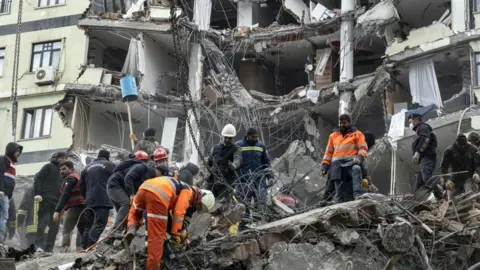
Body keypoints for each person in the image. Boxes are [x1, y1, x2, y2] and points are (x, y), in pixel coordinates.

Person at [124, 173, 215, 269]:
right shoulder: (188, 192)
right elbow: (178, 213)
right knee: (157, 241)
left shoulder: (181, 185)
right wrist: (176, 233)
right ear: (200, 198)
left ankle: (131, 228)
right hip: (158, 196)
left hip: (144, 188)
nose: (198, 208)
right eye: (200, 206)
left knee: (135, 213)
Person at [321, 114, 368, 202]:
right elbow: (328, 152)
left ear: (349, 123)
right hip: (337, 165)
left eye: (345, 123)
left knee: (356, 169)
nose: (342, 125)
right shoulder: (333, 136)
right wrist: (325, 166)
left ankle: (358, 195)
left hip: (351, 163)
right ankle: (338, 201)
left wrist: (359, 157)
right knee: (336, 186)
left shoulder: (357, 134)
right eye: (341, 123)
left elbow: (363, 148)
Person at [235, 128, 272, 228]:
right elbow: (235, 162)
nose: (255, 139)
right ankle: (243, 228)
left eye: (256, 137)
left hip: (258, 180)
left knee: (259, 202)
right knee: (243, 203)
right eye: (253, 137)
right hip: (243, 180)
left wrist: (270, 176)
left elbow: (266, 162)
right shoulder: (239, 145)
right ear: (247, 136)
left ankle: (257, 225)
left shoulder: (261, 146)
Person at [80, 149, 115, 249]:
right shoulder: (110, 165)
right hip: (103, 199)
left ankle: (83, 246)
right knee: (99, 223)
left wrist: (86, 197)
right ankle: (91, 245)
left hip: (89, 200)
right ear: (108, 157)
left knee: (89, 224)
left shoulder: (86, 168)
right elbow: (116, 179)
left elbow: (81, 186)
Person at [107, 151, 149, 233]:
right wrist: (132, 194)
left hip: (113, 186)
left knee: (126, 211)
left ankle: (123, 231)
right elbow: (128, 178)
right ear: (145, 160)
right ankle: (116, 230)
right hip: (115, 186)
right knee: (126, 203)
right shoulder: (141, 166)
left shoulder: (132, 166)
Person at [34, 151, 68, 252]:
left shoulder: (63, 173)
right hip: (45, 200)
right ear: (57, 158)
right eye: (63, 158)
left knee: (54, 227)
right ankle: (38, 247)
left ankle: (49, 249)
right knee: (42, 224)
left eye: (66, 158)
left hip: (57, 204)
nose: (65, 160)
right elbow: (38, 179)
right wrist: (38, 194)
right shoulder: (48, 167)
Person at [54, 161, 86, 250]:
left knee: (66, 230)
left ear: (71, 169)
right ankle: (85, 247)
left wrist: (58, 210)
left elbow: (65, 194)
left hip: (74, 207)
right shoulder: (77, 177)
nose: (61, 171)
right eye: (60, 169)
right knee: (83, 230)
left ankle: (64, 249)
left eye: (64, 169)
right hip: (83, 207)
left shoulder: (70, 178)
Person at [206, 124, 242, 200]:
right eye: (226, 137)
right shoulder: (215, 148)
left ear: (234, 138)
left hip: (225, 184)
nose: (227, 140)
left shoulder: (236, 149)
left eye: (230, 138)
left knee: (222, 206)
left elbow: (238, 159)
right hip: (212, 182)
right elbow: (209, 162)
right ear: (223, 136)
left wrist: (234, 165)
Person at [408, 113, 438, 190]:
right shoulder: (419, 129)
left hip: (427, 157)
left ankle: (439, 194)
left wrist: (417, 152)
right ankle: (416, 200)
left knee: (427, 179)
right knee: (419, 184)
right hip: (423, 159)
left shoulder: (423, 127)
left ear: (416, 120)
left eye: (411, 121)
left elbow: (425, 139)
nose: (410, 123)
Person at [0, 142, 22, 243]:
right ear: (11, 150)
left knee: (4, 215)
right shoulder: (5, 159)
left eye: (19, 151)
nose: (18, 153)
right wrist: (1, 190)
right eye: (17, 151)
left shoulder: (11, 164)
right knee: (3, 215)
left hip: (6, 195)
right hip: (2, 194)